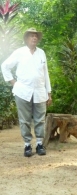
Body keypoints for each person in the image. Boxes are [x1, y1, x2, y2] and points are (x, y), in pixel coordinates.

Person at [1, 28, 52, 157]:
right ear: (26, 39)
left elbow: (45, 73)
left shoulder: (41, 53)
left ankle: (40, 144)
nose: (34, 38)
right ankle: (27, 145)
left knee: (40, 119)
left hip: (40, 91)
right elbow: (5, 66)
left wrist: (49, 93)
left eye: (36, 36)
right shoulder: (19, 52)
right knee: (24, 120)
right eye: (31, 36)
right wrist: (14, 83)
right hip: (22, 91)